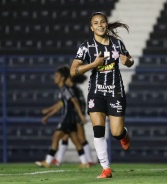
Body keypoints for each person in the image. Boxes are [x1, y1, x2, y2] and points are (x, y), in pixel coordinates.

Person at [70, 12, 134, 178]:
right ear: (92, 27)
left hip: (115, 92)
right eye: (96, 23)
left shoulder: (117, 44)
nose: (100, 25)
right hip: (96, 92)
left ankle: (123, 136)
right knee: (98, 130)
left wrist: (128, 62)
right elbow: (73, 71)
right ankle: (106, 168)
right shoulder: (86, 47)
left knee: (116, 132)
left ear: (106, 25)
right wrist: (93, 64)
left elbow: (129, 59)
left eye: (102, 22)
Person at [35, 65, 89, 168]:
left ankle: (48, 161)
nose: (55, 78)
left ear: (62, 78)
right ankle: (85, 162)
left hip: (67, 118)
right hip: (71, 119)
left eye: (56, 76)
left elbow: (75, 101)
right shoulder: (63, 90)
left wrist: (81, 116)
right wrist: (48, 115)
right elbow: (61, 105)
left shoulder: (65, 90)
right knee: (75, 140)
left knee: (56, 136)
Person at [52, 74, 94, 166]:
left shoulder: (73, 90)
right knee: (66, 136)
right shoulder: (76, 89)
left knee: (80, 138)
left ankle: (89, 160)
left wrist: (80, 116)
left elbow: (77, 103)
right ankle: (58, 160)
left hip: (74, 117)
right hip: (75, 117)